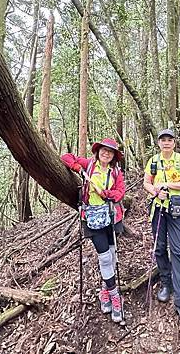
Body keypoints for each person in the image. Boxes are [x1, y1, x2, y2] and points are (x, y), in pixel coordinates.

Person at [61, 138, 126, 323]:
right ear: (98, 152)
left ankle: (104, 291)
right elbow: (65, 157)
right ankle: (115, 298)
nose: (106, 154)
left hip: (112, 217)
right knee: (105, 257)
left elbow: (120, 192)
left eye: (110, 152)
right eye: (103, 151)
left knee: (112, 256)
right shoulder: (89, 165)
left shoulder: (115, 172)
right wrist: (77, 168)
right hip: (92, 219)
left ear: (113, 156)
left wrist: (106, 194)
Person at [143, 129, 180, 325]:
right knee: (159, 248)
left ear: (174, 143)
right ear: (158, 143)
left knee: (178, 251)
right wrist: (156, 190)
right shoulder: (153, 161)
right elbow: (146, 183)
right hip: (158, 210)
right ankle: (166, 283)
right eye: (163, 140)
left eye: (169, 140)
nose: (166, 143)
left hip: (176, 210)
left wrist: (168, 185)